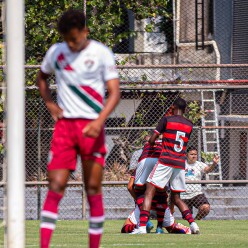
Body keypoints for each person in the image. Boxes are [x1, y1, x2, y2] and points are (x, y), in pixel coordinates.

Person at [37, 10, 120, 248]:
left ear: (85, 32)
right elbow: (41, 78)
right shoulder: (56, 52)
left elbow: (114, 92)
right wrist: (50, 104)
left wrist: (99, 120)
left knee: (92, 188)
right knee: (56, 185)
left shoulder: (101, 53)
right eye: (67, 39)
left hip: (92, 127)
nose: (71, 44)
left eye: (75, 39)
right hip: (65, 128)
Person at [132, 98, 200, 234]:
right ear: (185, 110)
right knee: (176, 198)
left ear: (173, 107)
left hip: (165, 161)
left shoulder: (166, 120)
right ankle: (193, 225)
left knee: (149, 191)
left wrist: (154, 143)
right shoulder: (190, 124)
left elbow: (152, 140)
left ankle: (142, 228)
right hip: (180, 163)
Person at [181, 147, 219, 220]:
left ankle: (196, 221)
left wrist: (214, 164)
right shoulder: (181, 164)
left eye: (195, 154)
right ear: (186, 155)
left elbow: (208, 170)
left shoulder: (199, 164)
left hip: (196, 193)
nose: (194, 156)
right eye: (191, 154)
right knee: (187, 217)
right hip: (183, 195)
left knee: (205, 208)